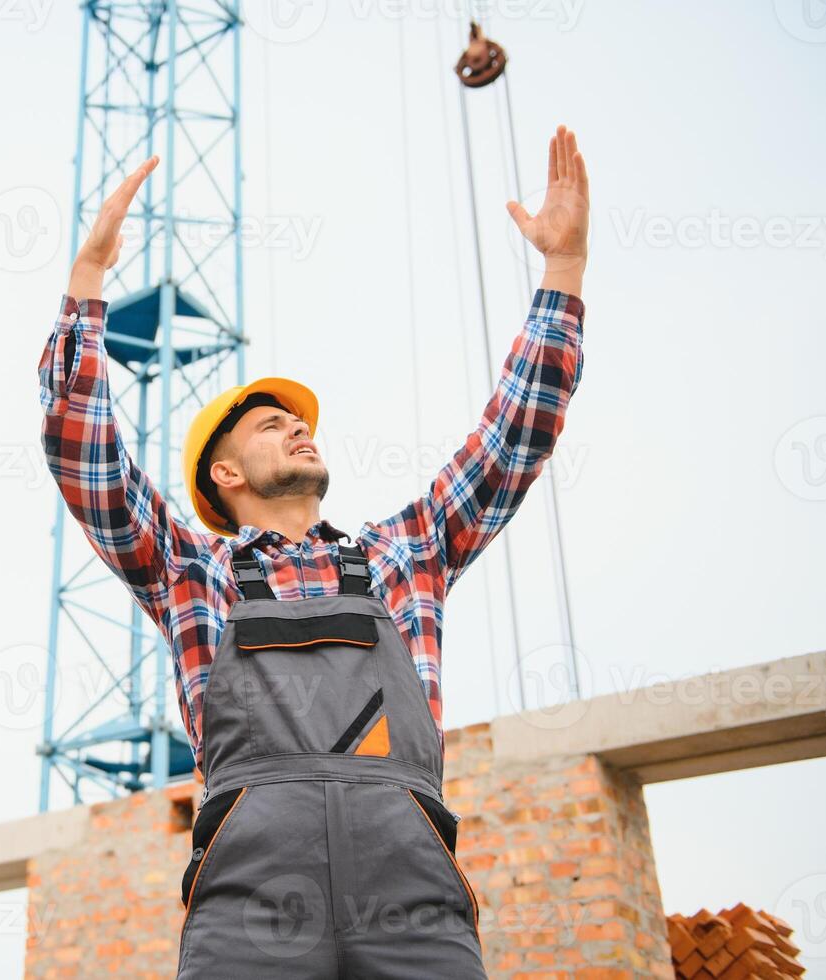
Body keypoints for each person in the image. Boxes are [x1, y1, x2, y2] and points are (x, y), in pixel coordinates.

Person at [37, 126, 589, 977]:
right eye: (271, 424)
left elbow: (515, 431)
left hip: (411, 888)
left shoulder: (407, 553)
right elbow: (84, 456)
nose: (297, 426)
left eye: (299, 422)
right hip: (250, 898)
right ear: (225, 473)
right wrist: (87, 282)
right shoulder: (193, 572)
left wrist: (563, 271)